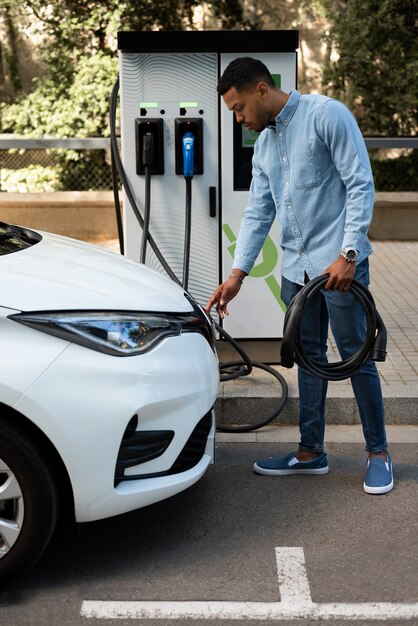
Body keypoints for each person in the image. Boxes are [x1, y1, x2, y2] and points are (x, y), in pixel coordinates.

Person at [205, 57, 393, 495]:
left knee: (355, 356)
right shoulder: (266, 146)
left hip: (339, 268)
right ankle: (311, 452)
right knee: (307, 358)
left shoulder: (327, 115)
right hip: (297, 271)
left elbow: (360, 183)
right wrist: (237, 275)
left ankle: (379, 453)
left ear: (260, 90)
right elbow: (257, 212)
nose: (238, 118)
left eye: (237, 108)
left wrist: (349, 253)